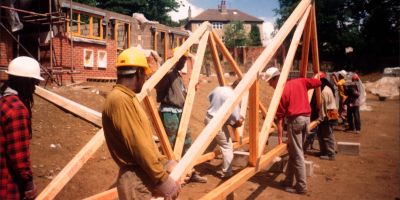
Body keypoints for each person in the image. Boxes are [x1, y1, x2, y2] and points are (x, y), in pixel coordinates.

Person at [102, 47, 180, 200]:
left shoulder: (128, 98)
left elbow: (145, 141)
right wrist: (162, 179)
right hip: (136, 179)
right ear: (138, 73)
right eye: (144, 74)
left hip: (143, 174)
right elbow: (138, 145)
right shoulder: (119, 100)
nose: (145, 79)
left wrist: (164, 162)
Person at [264, 67, 321, 195]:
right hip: (306, 120)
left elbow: (280, 120)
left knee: (298, 154)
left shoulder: (280, 92)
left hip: (295, 121)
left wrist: (279, 138)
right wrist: (319, 75)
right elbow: (317, 82)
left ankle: (301, 187)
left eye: (270, 82)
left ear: (276, 78)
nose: (269, 85)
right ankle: (288, 181)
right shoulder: (300, 81)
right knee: (294, 152)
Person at [155, 48, 207, 183]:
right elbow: (158, 87)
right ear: (176, 59)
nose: (183, 63)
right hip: (169, 112)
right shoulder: (167, 73)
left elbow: (180, 95)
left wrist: (192, 89)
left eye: (185, 60)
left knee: (187, 142)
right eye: (182, 59)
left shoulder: (177, 76)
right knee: (170, 146)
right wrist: (168, 64)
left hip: (180, 112)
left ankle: (190, 172)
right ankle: (169, 177)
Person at [0, 56, 43, 199]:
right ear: (24, 82)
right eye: (33, 83)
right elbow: (19, 156)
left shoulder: (3, 99)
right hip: (7, 186)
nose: (34, 88)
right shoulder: (16, 110)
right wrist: (28, 184)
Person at [205, 80, 244, 179]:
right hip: (217, 122)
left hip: (208, 118)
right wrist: (240, 121)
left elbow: (210, 97)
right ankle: (227, 173)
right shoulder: (234, 97)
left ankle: (202, 160)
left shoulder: (219, 88)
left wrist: (217, 107)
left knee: (213, 140)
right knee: (227, 147)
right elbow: (236, 119)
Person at [317, 72, 337, 160]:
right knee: (323, 134)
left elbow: (323, 108)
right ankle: (324, 152)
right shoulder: (327, 88)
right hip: (331, 113)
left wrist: (320, 119)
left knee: (327, 135)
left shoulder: (324, 92)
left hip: (328, 115)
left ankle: (331, 154)